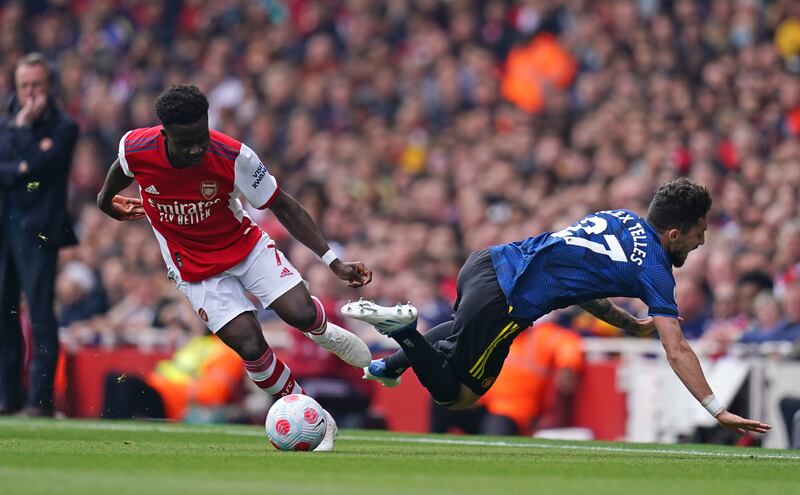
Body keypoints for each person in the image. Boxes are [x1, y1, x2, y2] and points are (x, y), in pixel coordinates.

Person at [344, 179, 771, 435]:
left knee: (458, 330)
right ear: (674, 233)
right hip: (507, 297)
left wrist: (628, 324)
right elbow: (677, 348)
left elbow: (578, 287)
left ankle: (392, 363)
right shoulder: (656, 270)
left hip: (485, 263)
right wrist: (718, 410)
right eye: (699, 232)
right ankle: (404, 332)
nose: (702, 241)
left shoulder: (620, 218)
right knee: (457, 397)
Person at [96, 84, 373, 450]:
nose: (198, 148)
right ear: (165, 134)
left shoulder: (233, 156)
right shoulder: (137, 148)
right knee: (248, 342)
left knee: (300, 312)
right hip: (192, 267)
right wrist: (105, 202)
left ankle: (324, 332)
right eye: (187, 142)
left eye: (201, 137)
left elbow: (284, 205)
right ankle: (314, 416)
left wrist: (332, 261)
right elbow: (120, 169)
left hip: (243, 247)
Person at [0, 52, 79, 416]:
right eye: (24, 85)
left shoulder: (63, 126)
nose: (30, 92)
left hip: (39, 231)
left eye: (36, 85)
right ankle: (8, 395)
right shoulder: (7, 123)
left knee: (40, 314)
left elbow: (37, 168)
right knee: (4, 312)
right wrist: (22, 156)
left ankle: (40, 400)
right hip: (5, 226)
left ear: (50, 87)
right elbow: (18, 168)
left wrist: (20, 145)